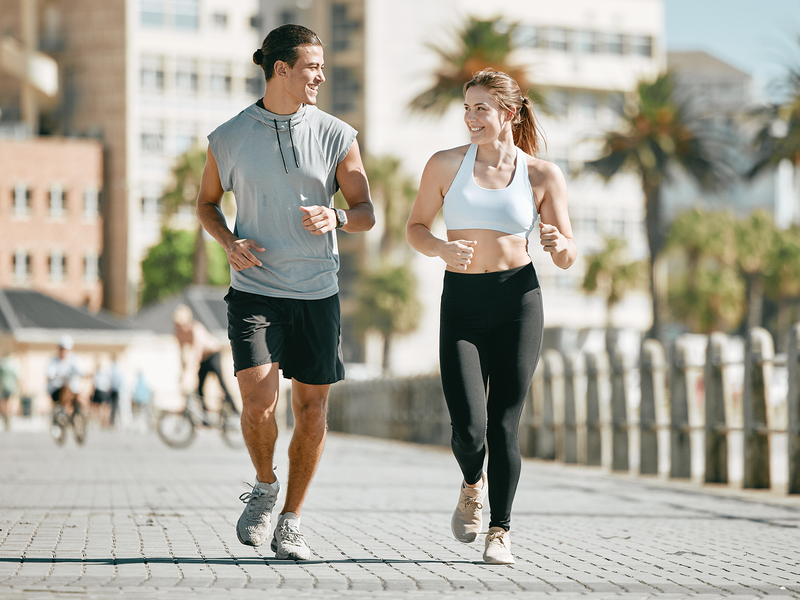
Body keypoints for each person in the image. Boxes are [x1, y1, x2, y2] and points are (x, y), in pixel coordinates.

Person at [197, 24, 375, 561]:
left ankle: (291, 520)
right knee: (258, 404)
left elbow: (366, 213)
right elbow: (206, 203)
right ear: (281, 69)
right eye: (312, 67)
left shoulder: (337, 134)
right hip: (254, 289)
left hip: (317, 292)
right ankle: (264, 485)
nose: (320, 76)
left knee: (311, 408)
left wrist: (337, 217)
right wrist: (227, 241)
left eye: (321, 67)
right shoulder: (228, 137)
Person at [406, 69, 577, 564]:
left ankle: (500, 530)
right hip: (461, 301)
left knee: (503, 424)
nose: (471, 118)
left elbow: (568, 254)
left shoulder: (542, 174)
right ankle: (471, 484)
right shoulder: (444, 165)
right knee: (469, 429)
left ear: (509, 113)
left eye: (481, 108)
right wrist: (440, 248)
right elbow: (416, 227)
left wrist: (557, 244)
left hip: (518, 300)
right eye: (467, 108)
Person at [172, 304, 235, 416]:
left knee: (222, 384)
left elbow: (198, 349)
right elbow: (182, 355)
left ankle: (235, 411)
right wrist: (182, 373)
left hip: (213, 355)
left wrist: (191, 367)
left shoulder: (196, 328)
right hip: (203, 360)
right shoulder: (179, 334)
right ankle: (205, 415)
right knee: (200, 387)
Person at [46, 335, 86, 416]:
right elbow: (50, 375)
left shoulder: (75, 360)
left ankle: (80, 414)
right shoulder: (53, 361)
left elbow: (83, 372)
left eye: (66, 349)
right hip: (57, 391)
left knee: (81, 399)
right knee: (66, 389)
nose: (64, 352)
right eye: (62, 349)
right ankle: (64, 411)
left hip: (73, 391)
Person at [0, 352, 21, 429]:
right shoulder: (13, 364)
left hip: (4, 386)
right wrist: (19, 387)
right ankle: (8, 415)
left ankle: (6, 416)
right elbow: (18, 376)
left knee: (4, 402)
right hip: (12, 386)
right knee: (10, 402)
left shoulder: (2, 364)